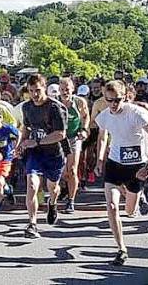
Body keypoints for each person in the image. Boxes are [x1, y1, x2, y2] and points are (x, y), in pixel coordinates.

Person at [95, 80, 148, 266]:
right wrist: (100, 160)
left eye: (117, 100)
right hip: (114, 164)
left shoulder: (136, 114)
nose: (113, 104)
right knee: (111, 205)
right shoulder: (104, 116)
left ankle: (138, 195)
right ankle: (121, 249)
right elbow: (102, 138)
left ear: (125, 96)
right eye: (109, 100)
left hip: (136, 168)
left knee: (129, 211)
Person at [16, 74, 68, 238]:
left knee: (52, 188)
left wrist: (37, 141)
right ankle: (32, 224)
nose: (35, 95)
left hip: (53, 154)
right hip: (35, 153)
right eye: (31, 91)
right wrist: (20, 144)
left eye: (37, 90)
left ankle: (52, 202)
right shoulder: (27, 107)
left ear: (44, 88)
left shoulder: (55, 108)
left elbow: (60, 134)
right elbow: (26, 128)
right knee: (32, 184)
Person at [59, 78, 90, 213]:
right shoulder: (54, 103)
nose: (65, 92)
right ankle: (62, 189)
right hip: (57, 138)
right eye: (62, 89)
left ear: (73, 89)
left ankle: (71, 201)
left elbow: (86, 116)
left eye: (67, 89)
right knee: (60, 171)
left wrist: (84, 129)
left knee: (72, 170)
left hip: (73, 137)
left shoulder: (79, 102)